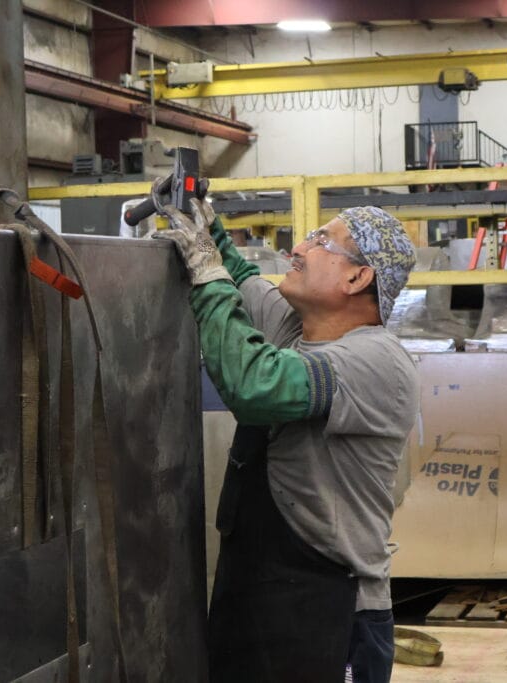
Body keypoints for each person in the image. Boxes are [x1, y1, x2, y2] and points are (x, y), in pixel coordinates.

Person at [152, 181, 420, 683]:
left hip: (329, 608)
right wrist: (204, 224)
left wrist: (207, 275)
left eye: (320, 242)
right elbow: (237, 276)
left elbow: (257, 387)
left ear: (359, 277)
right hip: (258, 594)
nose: (298, 248)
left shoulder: (375, 361)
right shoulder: (296, 328)